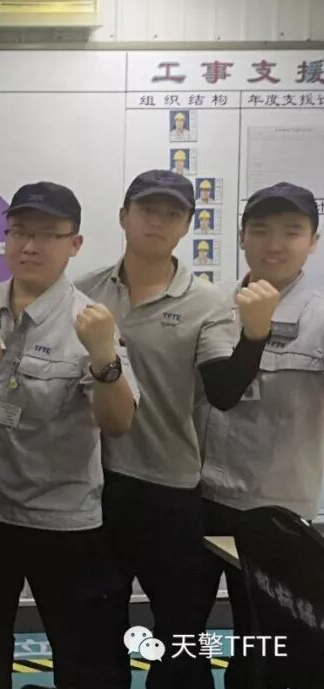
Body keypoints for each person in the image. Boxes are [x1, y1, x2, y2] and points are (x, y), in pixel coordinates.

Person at [77, 170, 279, 689]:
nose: (158, 221)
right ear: (123, 216)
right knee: (97, 631)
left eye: (173, 213)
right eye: (148, 210)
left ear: (187, 225)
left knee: (179, 635)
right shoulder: (83, 291)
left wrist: (255, 334)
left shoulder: (206, 302)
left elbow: (224, 391)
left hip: (168, 489)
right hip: (91, 487)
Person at [0, 182, 139, 689]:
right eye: (19, 232)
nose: (29, 246)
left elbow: (119, 422)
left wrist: (104, 359)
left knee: (83, 658)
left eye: (46, 234)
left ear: (74, 244)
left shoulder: (89, 320)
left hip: (62, 521)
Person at [194, 182, 323, 689]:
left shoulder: (320, 316)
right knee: (182, 628)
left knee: (265, 643)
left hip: (276, 509)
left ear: (313, 240)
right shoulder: (212, 305)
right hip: (200, 498)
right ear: (242, 236)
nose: (275, 244)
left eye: (292, 231)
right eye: (262, 230)